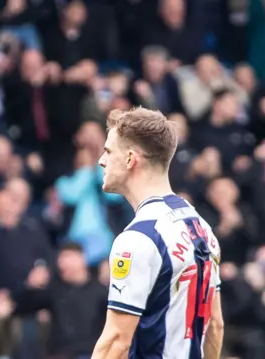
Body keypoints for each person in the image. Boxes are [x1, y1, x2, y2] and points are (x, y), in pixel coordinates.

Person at [90, 108, 224, 359]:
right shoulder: (202, 227)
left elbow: (117, 341)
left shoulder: (139, 238)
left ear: (130, 159)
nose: (101, 160)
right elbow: (215, 325)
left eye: (108, 151)